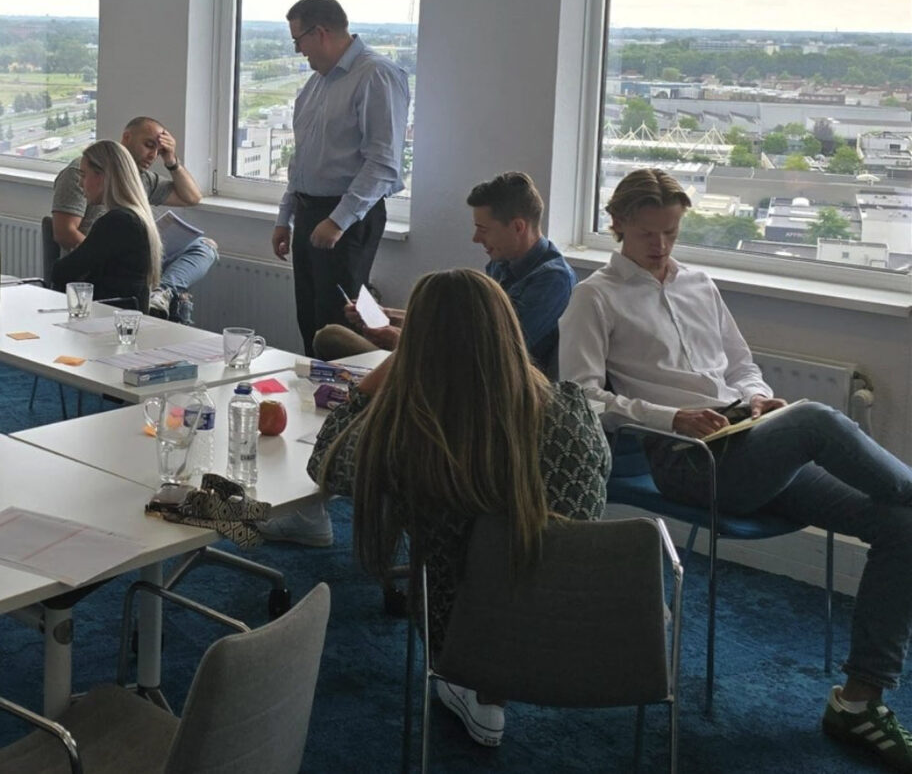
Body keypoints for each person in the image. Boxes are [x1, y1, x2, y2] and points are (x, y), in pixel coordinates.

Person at [560, 167, 912, 773]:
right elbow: (580, 396)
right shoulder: (595, 296)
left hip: (747, 444)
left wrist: (756, 397)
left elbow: (744, 365)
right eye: (648, 233)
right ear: (617, 226)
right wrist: (672, 417)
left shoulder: (700, 283)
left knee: (902, 524)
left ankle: (858, 701)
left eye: (671, 232)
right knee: (817, 421)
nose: (661, 246)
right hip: (687, 461)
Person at [308, 268, 610, 747]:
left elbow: (324, 461)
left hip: (470, 637)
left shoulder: (414, 436)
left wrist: (380, 378)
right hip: (599, 626)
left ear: (416, 343)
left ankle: (479, 691)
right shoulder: (572, 412)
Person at [313, 171, 576, 378]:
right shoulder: (502, 262)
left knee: (339, 348)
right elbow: (460, 322)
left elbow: (492, 350)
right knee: (331, 337)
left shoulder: (553, 279)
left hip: (480, 381)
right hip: (447, 364)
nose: (476, 238)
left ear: (518, 227)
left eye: (483, 229)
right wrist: (388, 316)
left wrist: (402, 340)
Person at [272, 0, 410, 356]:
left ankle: (350, 405)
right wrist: (285, 216)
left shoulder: (376, 75)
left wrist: (338, 220)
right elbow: (301, 160)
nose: (298, 50)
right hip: (309, 211)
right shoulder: (317, 83)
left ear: (321, 32)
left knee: (342, 325)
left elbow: (382, 162)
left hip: (346, 216)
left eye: (298, 40)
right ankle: (315, 403)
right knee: (311, 320)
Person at [51, 116, 216, 319]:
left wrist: (171, 161)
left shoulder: (141, 182)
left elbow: (192, 197)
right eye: (148, 145)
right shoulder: (81, 170)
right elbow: (64, 232)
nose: (153, 155)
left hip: (117, 272)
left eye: (159, 151)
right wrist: (97, 252)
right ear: (127, 137)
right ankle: (159, 292)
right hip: (99, 263)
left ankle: (163, 290)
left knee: (205, 246)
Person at [51, 140, 163, 313]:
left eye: (84, 175)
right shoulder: (136, 217)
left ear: (102, 176)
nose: (80, 184)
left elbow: (62, 272)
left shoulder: (117, 222)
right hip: (125, 314)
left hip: (109, 317)